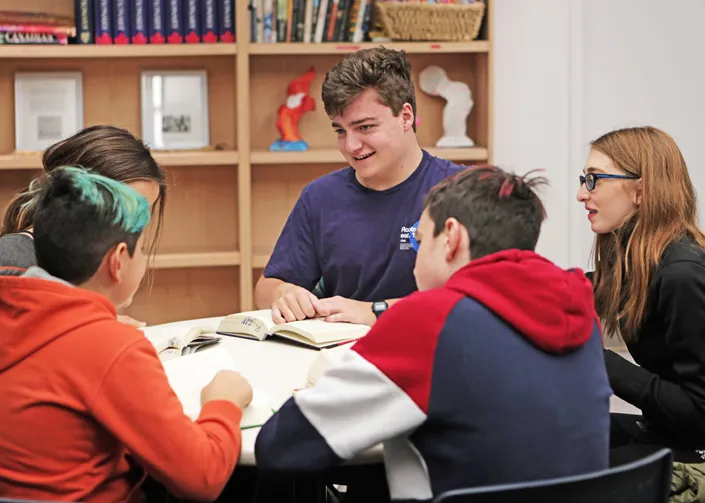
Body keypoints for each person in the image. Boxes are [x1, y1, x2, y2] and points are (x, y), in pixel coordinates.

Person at [255, 166, 612, 502]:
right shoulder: (576, 307)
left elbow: (284, 445)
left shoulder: (431, 319)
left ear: (451, 238)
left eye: (420, 241)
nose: (414, 259)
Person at [0, 166, 252, 502]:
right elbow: (203, 478)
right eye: (142, 249)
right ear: (118, 261)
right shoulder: (110, 347)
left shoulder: (12, 307)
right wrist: (223, 401)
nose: (145, 259)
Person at [254, 47, 466, 326]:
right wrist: (283, 293)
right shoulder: (319, 197)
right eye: (340, 131)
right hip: (340, 357)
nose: (350, 146)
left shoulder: (463, 192)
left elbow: (480, 298)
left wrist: (375, 311)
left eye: (365, 127)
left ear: (405, 117)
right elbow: (265, 288)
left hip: (435, 354)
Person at [577, 126, 705, 464]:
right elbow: (584, 286)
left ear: (641, 190)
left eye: (594, 179)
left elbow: (700, 413)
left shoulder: (682, 274)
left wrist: (595, 358)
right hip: (664, 430)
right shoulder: (637, 264)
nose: (581, 194)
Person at [0, 124, 167, 327]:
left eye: (143, 215)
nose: (135, 228)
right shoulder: (11, 262)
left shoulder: (89, 270)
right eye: (130, 212)